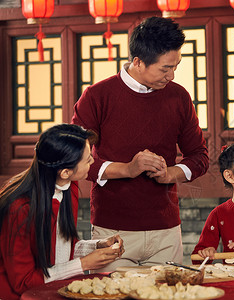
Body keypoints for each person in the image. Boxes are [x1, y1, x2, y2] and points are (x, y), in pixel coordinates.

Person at [72, 16, 209, 271]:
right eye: (165, 68)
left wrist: (170, 173)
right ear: (137, 62)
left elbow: (199, 156)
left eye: (176, 66)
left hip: (166, 233)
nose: (171, 75)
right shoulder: (97, 96)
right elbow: (74, 160)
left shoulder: (179, 97)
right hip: (112, 231)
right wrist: (127, 169)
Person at [0, 124, 124, 300]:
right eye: (88, 159)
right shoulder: (19, 208)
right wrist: (84, 264)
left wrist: (96, 246)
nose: (92, 162)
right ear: (65, 172)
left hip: (51, 289)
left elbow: (62, 250)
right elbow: (23, 282)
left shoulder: (68, 187)